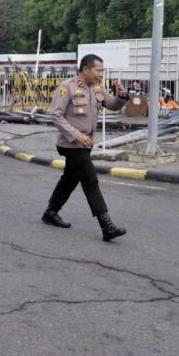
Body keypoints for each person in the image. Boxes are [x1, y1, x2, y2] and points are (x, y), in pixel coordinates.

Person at [41, 53, 129, 241]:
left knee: (70, 178)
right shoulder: (67, 87)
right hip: (71, 144)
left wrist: (121, 96)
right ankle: (107, 226)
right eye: (98, 70)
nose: (100, 74)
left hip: (86, 143)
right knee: (90, 179)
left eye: (102, 71)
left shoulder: (98, 87)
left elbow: (112, 105)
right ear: (86, 69)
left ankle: (51, 212)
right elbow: (56, 115)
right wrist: (77, 136)